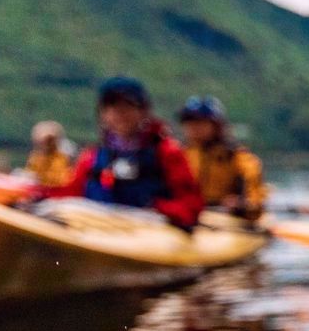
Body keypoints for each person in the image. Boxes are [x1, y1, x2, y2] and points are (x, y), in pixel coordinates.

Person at [56, 77, 203, 228]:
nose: (120, 112)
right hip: (97, 225)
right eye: (112, 106)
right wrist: (39, 195)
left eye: (128, 105)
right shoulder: (92, 156)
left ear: (143, 111)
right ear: (102, 114)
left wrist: (160, 208)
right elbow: (71, 192)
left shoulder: (167, 152)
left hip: (148, 228)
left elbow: (190, 205)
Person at [178, 96, 267, 219]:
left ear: (217, 126)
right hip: (191, 214)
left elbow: (255, 198)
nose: (193, 127)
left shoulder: (238, 158)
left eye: (200, 121)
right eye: (189, 121)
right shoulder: (179, 154)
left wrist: (242, 203)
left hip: (227, 217)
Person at [25, 121, 76, 187]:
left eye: (50, 140)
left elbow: (64, 179)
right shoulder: (35, 158)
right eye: (45, 140)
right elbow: (30, 175)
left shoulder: (62, 157)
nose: (47, 143)